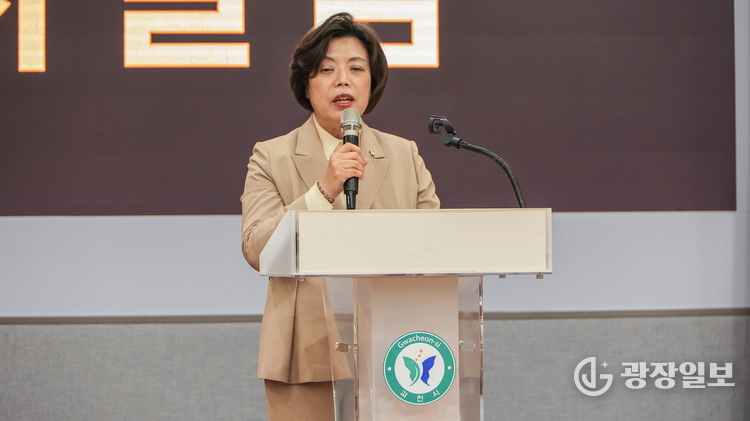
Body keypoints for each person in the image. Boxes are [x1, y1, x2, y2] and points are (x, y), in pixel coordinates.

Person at [240, 12, 440, 421]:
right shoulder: (271, 156)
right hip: (305, 353)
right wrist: (323, 190)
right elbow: (257, 248)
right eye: (327, 69)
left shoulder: (404, 155)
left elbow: (435, 250)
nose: (343, 81)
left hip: (398, 348)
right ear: (306, 84)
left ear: (372, 82)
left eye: (356, 69)